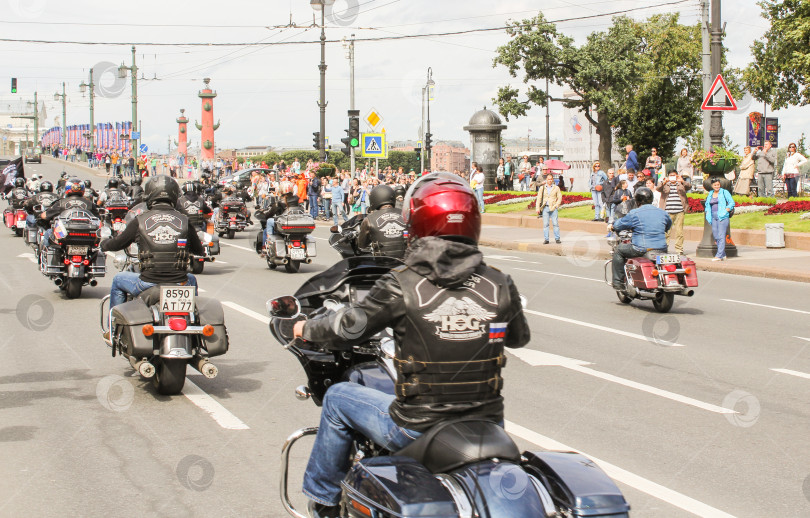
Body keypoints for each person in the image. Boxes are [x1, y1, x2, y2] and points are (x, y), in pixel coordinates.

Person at [291, 173, 530, 518]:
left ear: (417, 221)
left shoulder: (402, 283)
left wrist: (306, 328)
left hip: (416, 426)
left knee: (338, 398)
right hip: (489, 425)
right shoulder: (499, 282)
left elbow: (349, 327)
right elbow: (519, 338)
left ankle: (324, 499)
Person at [100, 175, 204, 314]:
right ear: (174, 195)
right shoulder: (184, 220)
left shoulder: (140, 220)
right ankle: (192, 316)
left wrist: (104, 243)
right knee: (191, 278)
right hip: (180, 281)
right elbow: (199, 250)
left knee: (118, 279)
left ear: (149, 195)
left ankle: (112, 326)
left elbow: (116, 244)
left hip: (147, 282)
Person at [610, 187, 671, 290]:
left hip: (641, 248)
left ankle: (618, 282)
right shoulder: (663, 213)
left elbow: (619, 225)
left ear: (637, 200)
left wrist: (612, 226)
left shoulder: (635, 213)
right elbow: (667, 226)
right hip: (662, 248)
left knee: (619, 250)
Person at [39, 178, 100, 254]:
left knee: (48, 233)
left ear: (67, 189)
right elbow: (99, 219)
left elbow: (45, 216)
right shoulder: (89, 204)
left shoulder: (61, 203)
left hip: (65, 235)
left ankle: (46, 255)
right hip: (87, 235)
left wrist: (40, 214)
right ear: (83, 190)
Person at [357, 185, 407, 258]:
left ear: (374, 199)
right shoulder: (406, 215)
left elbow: (362, 245)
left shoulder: (369, 219)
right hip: (404, 263)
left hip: (381, 263)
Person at [656, 170, 687, 255]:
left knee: (679, 231)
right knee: (666, 231)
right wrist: (664, 182)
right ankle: (664, 248)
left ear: (677, 176)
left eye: (674, 175)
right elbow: (658, 188)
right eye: (671, 175)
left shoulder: (680, 184)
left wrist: (682, 181)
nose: (672, 177)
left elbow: (689, 187)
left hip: (679, 210)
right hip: (667, 211)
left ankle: (679, 250)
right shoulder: (665, 184)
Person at [705, 178, 735, 261]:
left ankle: (719, 255)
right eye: (715, 185)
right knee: (716, 236)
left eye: (718, 185)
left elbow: (732, 202)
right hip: (713, 216)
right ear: (712, 186)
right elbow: (707, 204)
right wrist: (707, 212)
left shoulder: (724, 192)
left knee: (721, 236)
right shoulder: (710, 193)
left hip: (722, 216)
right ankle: (723, 254)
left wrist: (727, 209)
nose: (717, 186)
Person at [536, 174, 562, 244]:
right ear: (546, 180)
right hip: (545, 208)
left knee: (555, 223)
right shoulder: (543, 188)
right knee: (545, 224)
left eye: (551, 179)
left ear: (552, 179)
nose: (549, 180)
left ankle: (557, 238)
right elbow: (539, 198)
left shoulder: (556, 188)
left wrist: (556, 205)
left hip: (553, 208)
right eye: (548, 179)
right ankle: (546, 239)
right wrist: (537, 208)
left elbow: (559, 197)